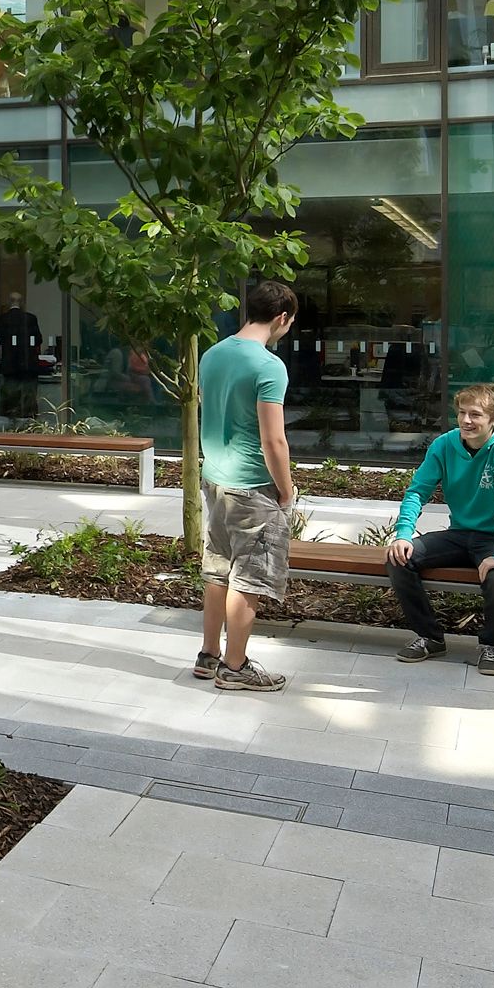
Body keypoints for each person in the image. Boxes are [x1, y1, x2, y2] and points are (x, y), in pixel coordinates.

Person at [196, 279, 299, 691]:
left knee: (217, 569)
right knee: (249, 579)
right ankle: (235, 668)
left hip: (215, 478)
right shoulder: (268, 365)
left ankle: (209, 655)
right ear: (282, 317)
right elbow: (273, 439)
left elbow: (209, 406)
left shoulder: (213, 353)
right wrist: (286, 489)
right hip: (253, 486)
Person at [386, 383, 494, 675]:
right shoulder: (445, 444)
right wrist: (403, 534)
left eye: (475, 414)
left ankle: (493, 646)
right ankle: (430, 637)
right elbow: (417, 491)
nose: (466, 420)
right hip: (461, 534)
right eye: (462, 413)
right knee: (399, 558)